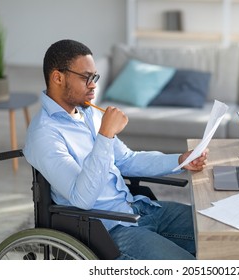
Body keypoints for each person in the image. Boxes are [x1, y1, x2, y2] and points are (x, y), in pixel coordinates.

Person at [23, 39, 209, 260]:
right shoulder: (45, 133)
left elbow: (127, 160)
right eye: (86, 78)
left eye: (95, 77)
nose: (93, 85)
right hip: (109, 231)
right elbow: (83, 198)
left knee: (216, 229)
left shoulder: (88, 113)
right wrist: (105, 135)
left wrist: (180, 160)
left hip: (137, 209)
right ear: (58, 77)